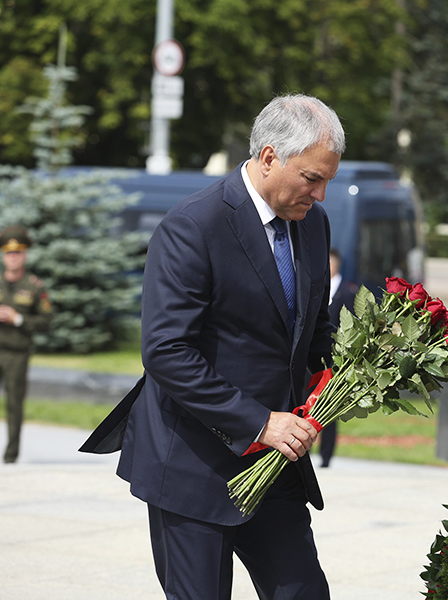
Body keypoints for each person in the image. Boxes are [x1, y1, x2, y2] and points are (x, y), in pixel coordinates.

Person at [87, 94, 344, 600]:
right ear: (269, 157)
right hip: (192, 466)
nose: (320, 194)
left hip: (274, 469)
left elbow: (312, 330)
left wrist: (359, 371)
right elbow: (166, 351)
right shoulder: (194, 226)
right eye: (312, 178)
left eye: (328, 181)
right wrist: (259, 422)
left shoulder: (312, 224)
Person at [0, 226, 52, 464]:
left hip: (17, 354)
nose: (13, 257)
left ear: (25, 255)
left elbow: (46, 321)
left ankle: (10, 458)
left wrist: (19, 319)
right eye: (8, 253)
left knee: (14, 407)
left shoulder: (35, 286)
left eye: (18, 253)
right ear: (3, 256)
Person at [318, 248, 358, 468]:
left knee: (329, 409)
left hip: (335, 359)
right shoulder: (314, 287)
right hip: (312, 360)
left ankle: (326, 457)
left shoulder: (348, 291)